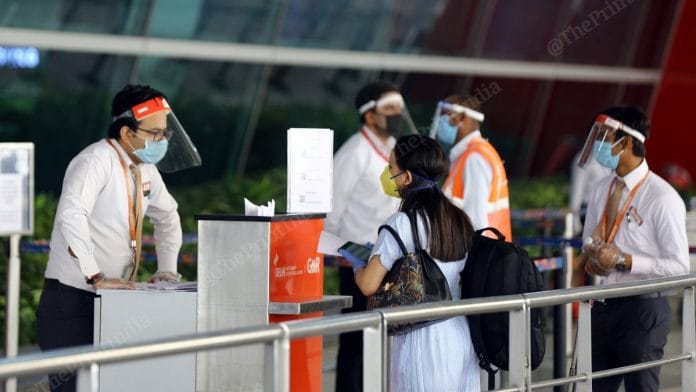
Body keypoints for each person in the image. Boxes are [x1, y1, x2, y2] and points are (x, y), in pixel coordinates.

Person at [36, 84, 200, 392]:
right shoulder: (94, 161)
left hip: (115, 302)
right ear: (127, 133)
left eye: (166, 134)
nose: (162, 141)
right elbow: (72, 216)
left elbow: (168, 216)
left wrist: (167, 270)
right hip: (73, 302)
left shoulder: (146, 167)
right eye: (156, 134)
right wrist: (95, 275)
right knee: (75, 387)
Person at [573, 106, 689, 391]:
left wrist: (626, 261)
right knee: (594, 387)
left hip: (643, 310)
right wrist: (594, 258)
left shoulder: (662, 198)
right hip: (603, 306)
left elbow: (680, 268)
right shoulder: (601, 189)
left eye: (604, 137)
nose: (598, 144)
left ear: (624, 143)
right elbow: (588, 243)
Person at [352, 134, 480, 391]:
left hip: (422, 341)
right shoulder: (459, 219)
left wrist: (356, 263)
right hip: (462, 335)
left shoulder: (401, 223)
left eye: (391, 168)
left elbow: (368, 284)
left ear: (407, 178)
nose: (387, 175)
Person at [325, 80, 416, 392]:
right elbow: (331, 212)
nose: (397, 114)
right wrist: (342, 252)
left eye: (398, 108)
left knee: (380, 338)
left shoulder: (391, 151)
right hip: (357, 260)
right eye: (389, 109)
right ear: (369, 116)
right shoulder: (355, 152)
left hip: (387, 258)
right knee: (356, 340)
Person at [430, 95, 512, 240]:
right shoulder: (473, 154)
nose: (439, 123)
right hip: (488, 254)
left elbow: (476, 223)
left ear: (460, 118)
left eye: (444, 116)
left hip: (483, 256)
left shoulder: (474, 158)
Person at [569, 149, 612, 235]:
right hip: (586, 211)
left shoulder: (609, 158)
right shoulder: (585, 158)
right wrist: (574, 220)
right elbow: (577, 192)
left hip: (604, 210)